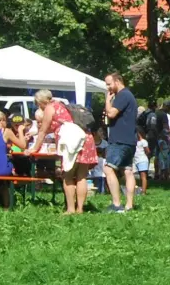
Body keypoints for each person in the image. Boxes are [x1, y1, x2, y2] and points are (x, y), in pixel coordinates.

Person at [28, 91, 98, 215]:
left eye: (38, 104)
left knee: (68, 176)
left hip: (71, 141)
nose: (39, 107)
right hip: (85, 138)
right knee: (81, 176)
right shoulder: (61, 105)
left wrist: (34, 148)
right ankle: (80, 209)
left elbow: (43, 131)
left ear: (41, 101)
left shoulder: (50, 108)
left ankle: (70, 209)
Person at [103, 73, 139, 212]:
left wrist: (107, 100)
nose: (108, 88)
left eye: (109, 84)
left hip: (119, 140)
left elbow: (111, 113)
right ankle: (129, 205)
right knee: (127, 171)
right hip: (130, 140)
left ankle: (116, 205)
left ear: (117, 81)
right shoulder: (129, 95)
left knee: (109, 169)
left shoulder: (123, 95)